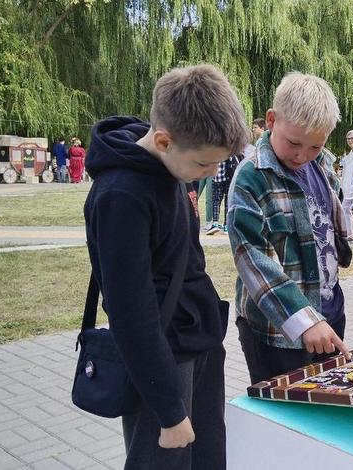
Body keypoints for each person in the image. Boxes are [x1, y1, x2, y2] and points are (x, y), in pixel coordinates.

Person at [83, 64, 250, 468]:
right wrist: (168, 409)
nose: (212, 174)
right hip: (159, 365)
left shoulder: (174, 162)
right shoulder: (120, 196)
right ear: (162, 139)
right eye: (205, 165)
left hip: (196, 344)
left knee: (208, 459)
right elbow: (130, 314)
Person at [228, 72, 351, 384]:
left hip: (329, 314)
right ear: (272, 120)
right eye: (294, 142)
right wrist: (304, 320)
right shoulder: (251, 177)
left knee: (329, 413)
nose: (302, 155)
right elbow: (253, 260)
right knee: (286, 422)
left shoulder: (322, 166)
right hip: (276, 332)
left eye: (315, 146)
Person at [205, 153, 239, 235]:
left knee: (216, 201)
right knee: (228, 202)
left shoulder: (215, 149)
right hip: (228, 178)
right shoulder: (228, 150)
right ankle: (226, 226)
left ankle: (215, 223)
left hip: (217, 178)